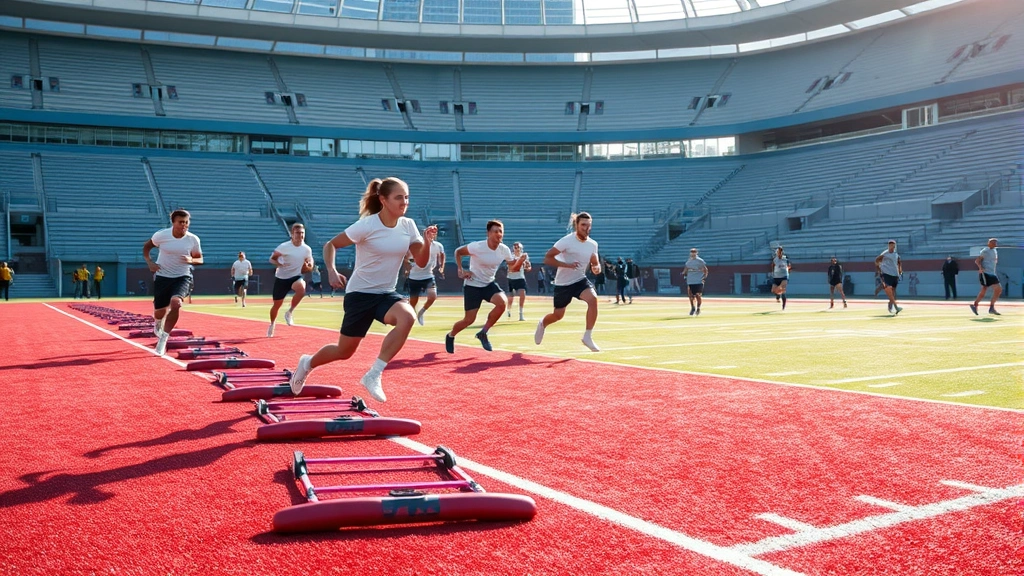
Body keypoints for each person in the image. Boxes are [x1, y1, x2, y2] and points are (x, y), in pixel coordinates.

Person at [288, 177, 436, 403]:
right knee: (344, 351)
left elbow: (422, 261)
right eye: (399, 197)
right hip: (359, 294)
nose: (404, 202)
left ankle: (374, 374)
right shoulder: (367, 225)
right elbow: (331, 245)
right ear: (383, 200)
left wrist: (427, 241)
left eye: (406, 197)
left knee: (407, 317)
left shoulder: (409, 226)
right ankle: (307, 363)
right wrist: (331, 270)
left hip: (386, 293)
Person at [445, 220, 526, 354]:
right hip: (472, 285)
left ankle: (483, 332)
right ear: (488, 233)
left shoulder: (504, 249)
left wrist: (521, 261)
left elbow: (513, 267)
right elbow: (458, 252)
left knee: (502, 303)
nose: (499, 234)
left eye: (501, 232)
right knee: (469, 320)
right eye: (495, 231)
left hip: (489, 284)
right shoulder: (477, 247)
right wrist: (461, 270)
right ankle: (451, 335)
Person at [535, 212, 602, 351]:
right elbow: (548, 258)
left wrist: (596, 267)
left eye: (589, 225)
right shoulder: (566, 241)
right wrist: (567, 265)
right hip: (563, 283)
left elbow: (594, 259)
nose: (586, 228)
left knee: (593, 299)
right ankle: (542, 323)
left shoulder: (593, 244)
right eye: (583, 225)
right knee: (558, 315)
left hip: (579, 280)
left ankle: (587, 336)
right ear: (576, 225)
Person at [143, 209, 203, 355]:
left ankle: (164, 338)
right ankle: (158, 322)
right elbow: (146, 247)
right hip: (162, 276)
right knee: (160, 311)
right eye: (181, 222)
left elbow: (200, 259)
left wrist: (192, 260)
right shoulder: (161, 236)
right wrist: (150, 262)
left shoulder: (193, 239)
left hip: (182, 276)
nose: (184, 225)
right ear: (173, 223)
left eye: (186, 222)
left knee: (176, 303)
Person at [268, 223, 314, 336]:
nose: (300, 235)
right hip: (281, 278)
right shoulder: (284, 247)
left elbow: (310, 263)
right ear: (292, 234)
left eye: (302, 233)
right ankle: (272, 324)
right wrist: (279, 263)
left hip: (295, 276)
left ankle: (289, 312)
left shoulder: (306, 249)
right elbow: (271, 259)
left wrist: (309, 266)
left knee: (301, 289)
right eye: (298, 233)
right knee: (276, 305)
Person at [406, 231, 444, 325]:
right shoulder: (418, 246)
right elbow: (407, 257)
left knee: (432, 296)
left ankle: (421, 312)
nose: (432, 236)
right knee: (413, 301)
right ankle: (410, 316)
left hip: (428, 275)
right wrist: (409, 266)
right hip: (414, 276)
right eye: (429, 234)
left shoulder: (438, 246)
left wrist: (441, 266)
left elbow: (442, 254)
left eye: (433, 234)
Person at [970, 238, 1001, 316]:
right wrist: (981, 268)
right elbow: (977, 261)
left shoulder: (995, 251)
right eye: (993, 242)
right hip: (985, 273)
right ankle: (976, 305)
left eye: (996, 243)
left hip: (992, 273)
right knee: (984, 289)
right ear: (989, 243)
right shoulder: (985, 251)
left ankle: (991, 307)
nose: (995, 244)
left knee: (998, 289)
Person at [875, 240, 903, 315]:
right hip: (886, 273)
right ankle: (896, 307)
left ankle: (890, 304)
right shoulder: (885, 254)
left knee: (893, 292)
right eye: (890, 245)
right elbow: (877, 260)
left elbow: (899, 263)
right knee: (888, 288)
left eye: (893, 245)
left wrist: (900, 271)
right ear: (888, 246)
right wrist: (879, 269)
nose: (892, 247)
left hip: (895, 275)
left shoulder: (896, 254)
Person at [505, 242, 531, 321]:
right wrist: (519, 262)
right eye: (515, 247)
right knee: (511, 297)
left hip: (520, 277)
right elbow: (511, 268)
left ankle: (521, 313)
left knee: (522, 293)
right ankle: (508, 309)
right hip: (511, 278)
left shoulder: (524, 256)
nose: (516, 249)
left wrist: (527, 267)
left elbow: (528, 267)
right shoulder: (511, 256)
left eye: (518, 247)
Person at [683, 248, 708, 316]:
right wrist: (684, 274)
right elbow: (686, 270)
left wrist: (704, 277)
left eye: (694, 252)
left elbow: (705, 270)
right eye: (691, 252)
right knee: (690, 295)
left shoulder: (700, 261)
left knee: (698, 295)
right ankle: (692, 308)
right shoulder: (688, 261)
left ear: (697, 253)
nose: (693, 253)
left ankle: (698, 308)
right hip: (690, 281)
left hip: (698, 280)